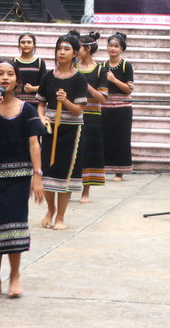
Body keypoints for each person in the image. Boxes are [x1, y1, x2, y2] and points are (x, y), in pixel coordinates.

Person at [0, 58, 45, 298]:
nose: (5, 78)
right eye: (0, 74)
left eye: (10, 74)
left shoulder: (27, 109)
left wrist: (37, 175)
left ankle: (15, 276)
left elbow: (34, 144)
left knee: (16, 227)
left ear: (17, 80)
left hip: (20, 177)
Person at [37, 33, 88, 230]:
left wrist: (65, 101)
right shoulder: (47, 76)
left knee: (66, 174)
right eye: (60, 48)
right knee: (49, 172)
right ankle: (50, 209)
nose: (62, 52)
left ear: (75, 52)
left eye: (67, 49)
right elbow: (41, 104)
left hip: (72, 133)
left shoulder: (79, 79)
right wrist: (41, 117)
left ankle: (60, 216)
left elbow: (77, 111)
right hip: (50, 130)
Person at [75, 31, 107, 202]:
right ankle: (68, 186)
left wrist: (86, 85)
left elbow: (102, 98)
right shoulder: (73, 68)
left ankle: (85, 191)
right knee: (72, 151)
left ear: (87, 49)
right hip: (72, 113)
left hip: (92, 116)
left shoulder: (100, 69)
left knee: (88, 153)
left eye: (78, 48)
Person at [103, 32, 135, 182]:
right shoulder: (103, 66)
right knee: (105, 138)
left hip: (122, 108)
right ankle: (104, 167)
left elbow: (129, 89)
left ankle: (120, 172)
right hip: (105, 106)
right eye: (111, 45)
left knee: (121, 139)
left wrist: (114, 80)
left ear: (122, 48)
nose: (113, 48)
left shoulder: (126, 65)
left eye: (116, 46)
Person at [15, 32, 47, 107]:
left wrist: (32, 89)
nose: (26, 45)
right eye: (23, 42)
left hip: (35, 104)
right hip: (17, 103)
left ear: (34, 44)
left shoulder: (40, 62)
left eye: (29, 42)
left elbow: (44, 85)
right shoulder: (14, 62)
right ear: (19, 45)